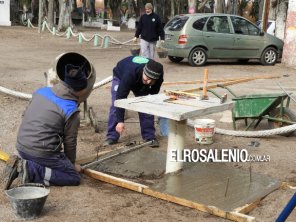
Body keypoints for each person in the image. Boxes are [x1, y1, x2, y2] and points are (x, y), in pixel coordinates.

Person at [2, 63, 91, 189]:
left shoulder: (40, 92)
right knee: (73, 177)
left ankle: (25, 161)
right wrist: (71, 165)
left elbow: (25, 115)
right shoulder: (71, 110)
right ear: (81, 90)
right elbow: (70, 142)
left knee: (50, 159)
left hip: (21, 146)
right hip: (40, 152)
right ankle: (31, 170)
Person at [104, 56, 164, 147]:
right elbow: (120, 99)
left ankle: (149, 136)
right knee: (115, 106)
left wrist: (146, 94)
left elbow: (154, 91)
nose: (148, 82)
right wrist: (120, 121)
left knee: (146, 106)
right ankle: (112, 136)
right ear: (144, 71)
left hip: (139, 78)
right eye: (146, 79)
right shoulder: (129, 74)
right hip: (121, 75)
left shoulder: (158, 72)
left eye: (151, 81)